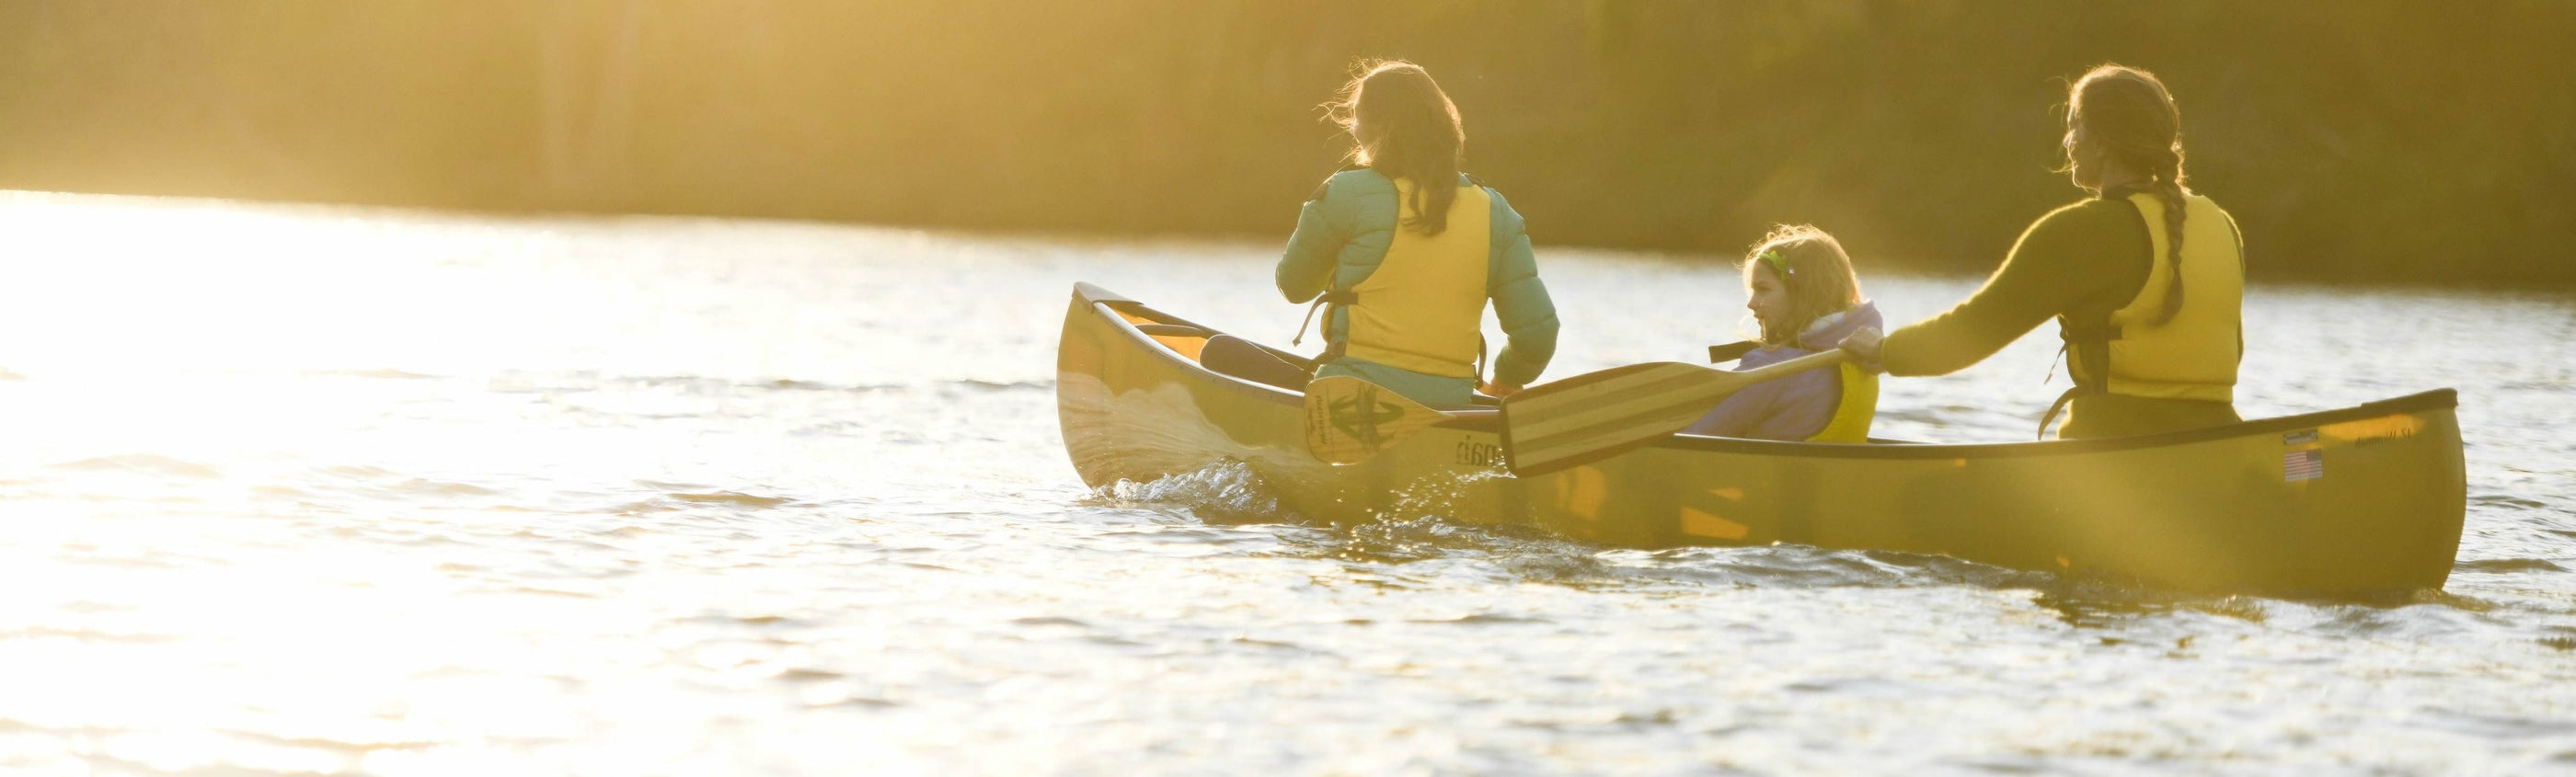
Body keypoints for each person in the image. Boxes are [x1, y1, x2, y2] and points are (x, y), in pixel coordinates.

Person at [1838, 63, 2245, 439]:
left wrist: (1884, 351)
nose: (2068, 141)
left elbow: (1970, 333)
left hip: (2111, 452)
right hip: (2221, 445)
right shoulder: (2221, 224)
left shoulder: (2080, 231)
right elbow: (2229, 349)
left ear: (2101, 142)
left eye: (2074, 125)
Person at [1276, 61, 1558, 407]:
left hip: (1347, 399)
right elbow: (1537, 337)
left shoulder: (1344, 193)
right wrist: (1505, 381)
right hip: (1450, 408)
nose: (1352, 128)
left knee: (1218, 351)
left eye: (1357, 117)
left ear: (1380, 128)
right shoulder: (1496, 213)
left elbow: (1293, 286)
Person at [1683, 225, 1882, 441]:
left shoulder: (1772, 368)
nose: (1750, 303)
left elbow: (1693, 434)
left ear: (1804, 295)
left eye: (1763, 289)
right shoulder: (1862, 361)